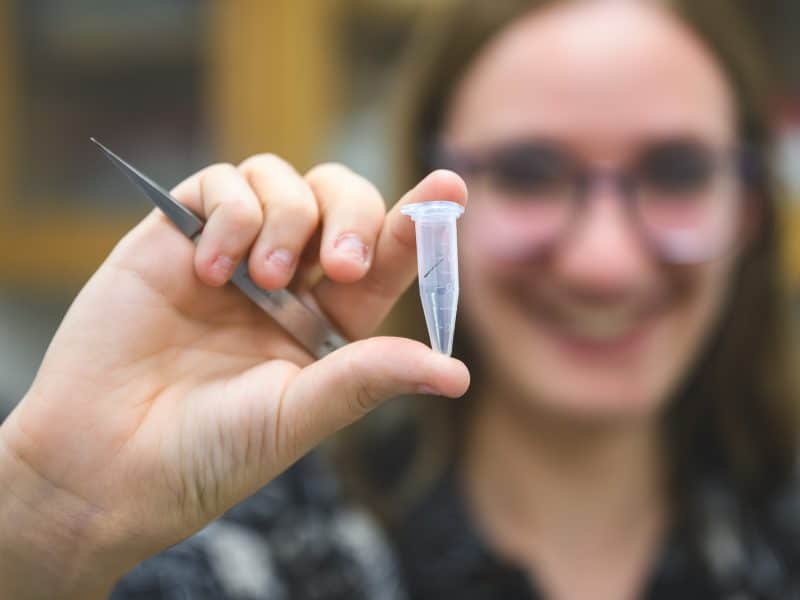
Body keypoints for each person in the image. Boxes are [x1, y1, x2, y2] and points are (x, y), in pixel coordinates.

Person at [1, 0, 798, 598]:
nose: (604, 262)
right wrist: (51, 519)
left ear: (751, 209)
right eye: (527, 171)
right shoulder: (252, 559)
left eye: (676, 173)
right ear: (424, 183)